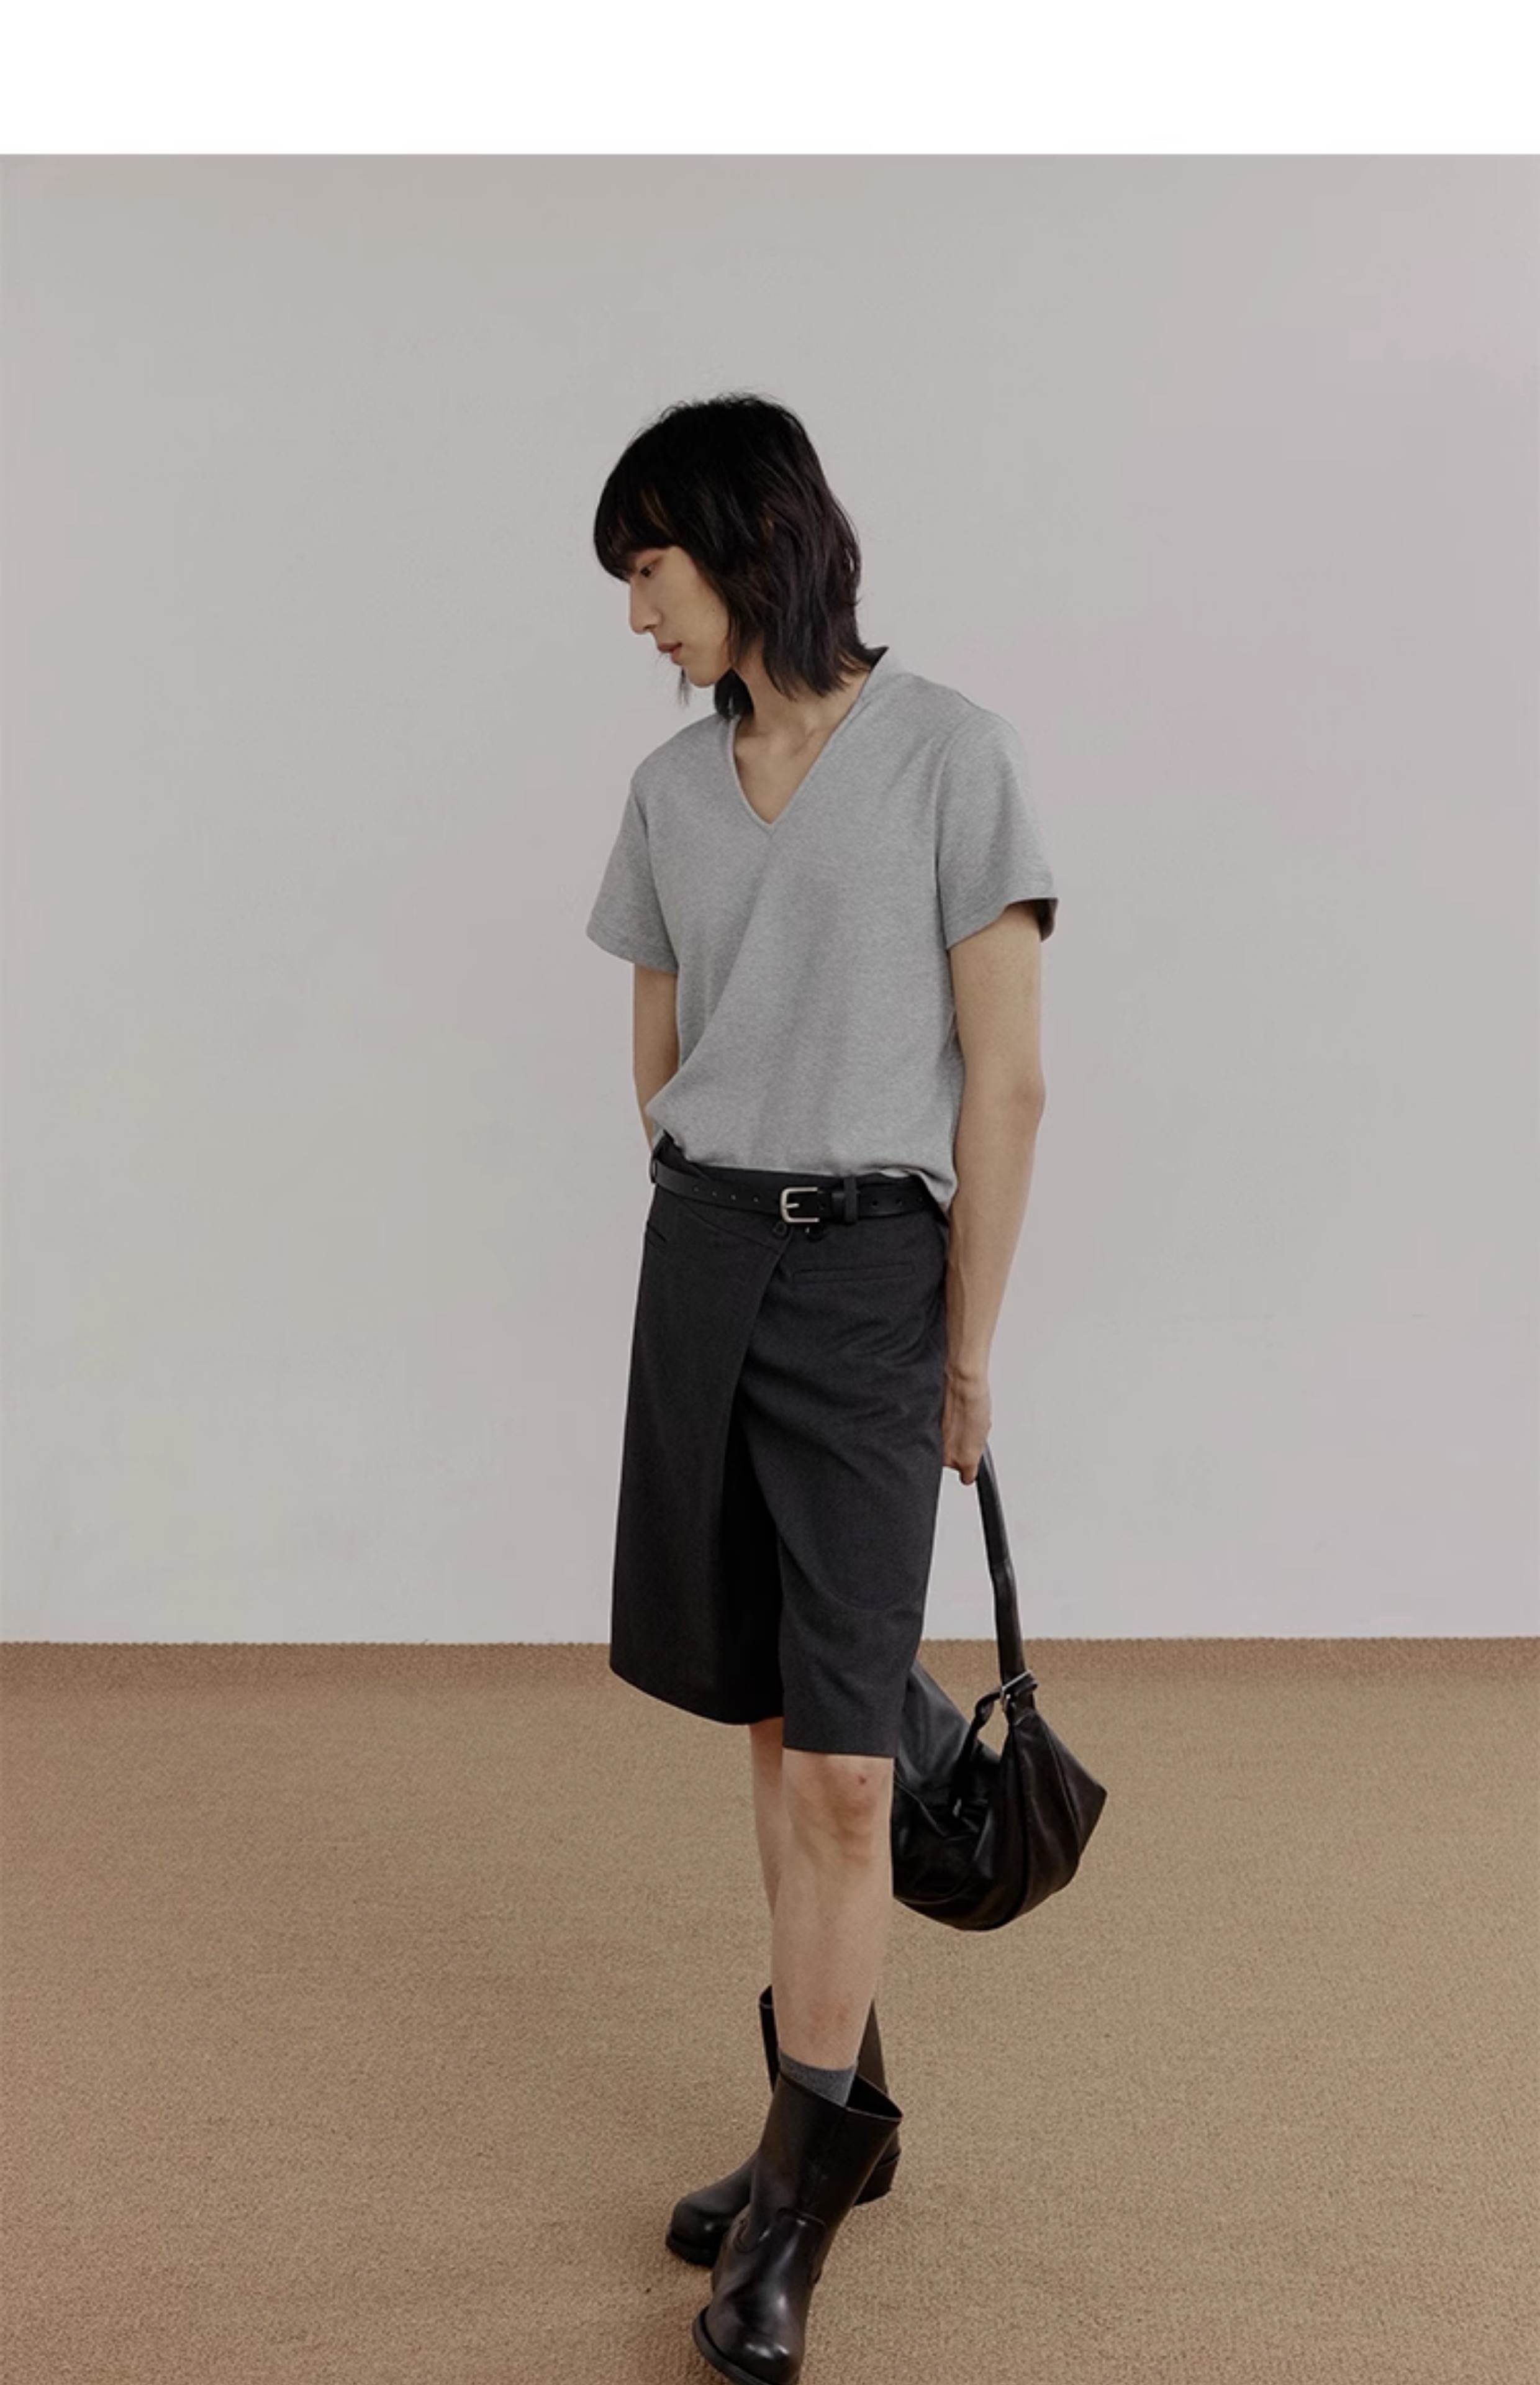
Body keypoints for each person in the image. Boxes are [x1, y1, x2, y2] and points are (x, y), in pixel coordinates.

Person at [585, 394, 1056, 2385]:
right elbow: (660, 1059)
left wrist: (964, 1347)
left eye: (651, 570)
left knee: (854, 1769)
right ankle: (821, 2107)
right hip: (708, 1267)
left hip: (874, 1279)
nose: (639, 618)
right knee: (782, 1737)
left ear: (748, 537)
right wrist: (723, 1212)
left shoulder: (954, 753)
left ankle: (795, 2205)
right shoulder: (668, 793)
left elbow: (1008, 1083)